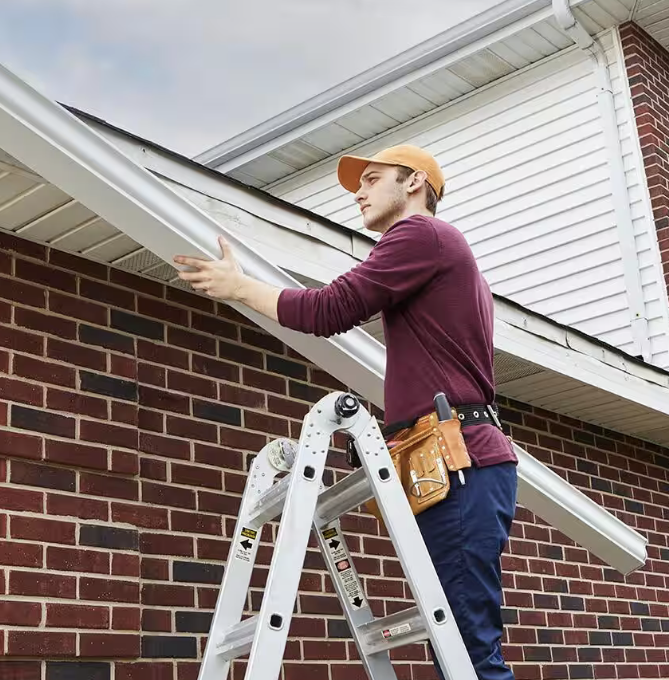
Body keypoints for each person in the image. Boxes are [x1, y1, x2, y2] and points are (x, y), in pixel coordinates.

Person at [173, 144, 518, 679]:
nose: (358, 192)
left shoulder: (421, 233)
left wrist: (240, 287)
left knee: (470, 653)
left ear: (414, 184)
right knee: (457, 651)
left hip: (459, 462)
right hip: (449, 462)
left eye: (372, 178)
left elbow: (332, 308)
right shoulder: (433, 250)